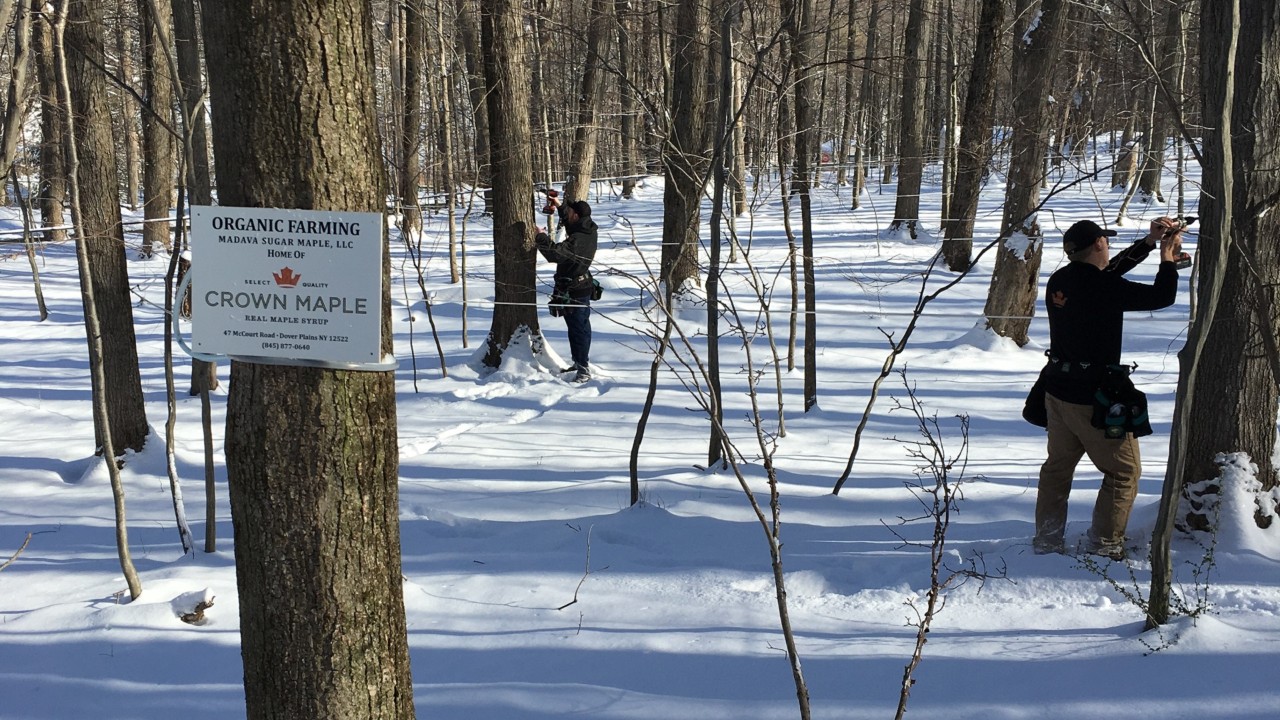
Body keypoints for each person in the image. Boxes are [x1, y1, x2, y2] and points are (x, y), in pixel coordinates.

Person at [1032, 217, 1184, 559]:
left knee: (1057, 469)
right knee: (1123, 471)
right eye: (1107, 241)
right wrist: (1167, 258)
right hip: (1093, 398)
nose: (1109, 246)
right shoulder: (1102, 287)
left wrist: (1147, 243)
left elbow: (1108, 271)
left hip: (1057, 391)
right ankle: (1104, 546)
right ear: (1099, 244)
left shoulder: (1062, 278)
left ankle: (1047, 540)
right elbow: (1162, 296)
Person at [535, 196, 598, 382]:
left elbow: (554, 254)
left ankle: (583, 369)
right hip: (575, 287)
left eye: (570, 212)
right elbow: (573, 226)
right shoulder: (587, 229)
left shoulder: (579, 240)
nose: (567, 215)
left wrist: (540, 236)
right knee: (575, 329)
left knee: (579, 329)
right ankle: (579, 362)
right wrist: (560, 207)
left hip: (577, 290)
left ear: (577, 216)